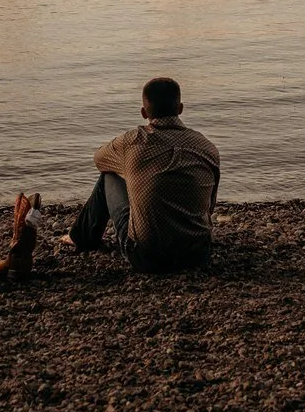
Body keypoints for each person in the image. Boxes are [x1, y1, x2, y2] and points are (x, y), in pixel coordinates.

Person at [64, 76, 221, 272]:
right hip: (197, 254)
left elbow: (99, 160)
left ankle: (81, 237)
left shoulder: (132, 142)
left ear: (143, 112)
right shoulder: (207, 147)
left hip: (147, 256)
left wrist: (130, 169)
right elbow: (209, 205)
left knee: (109, 176)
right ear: (180, 108)